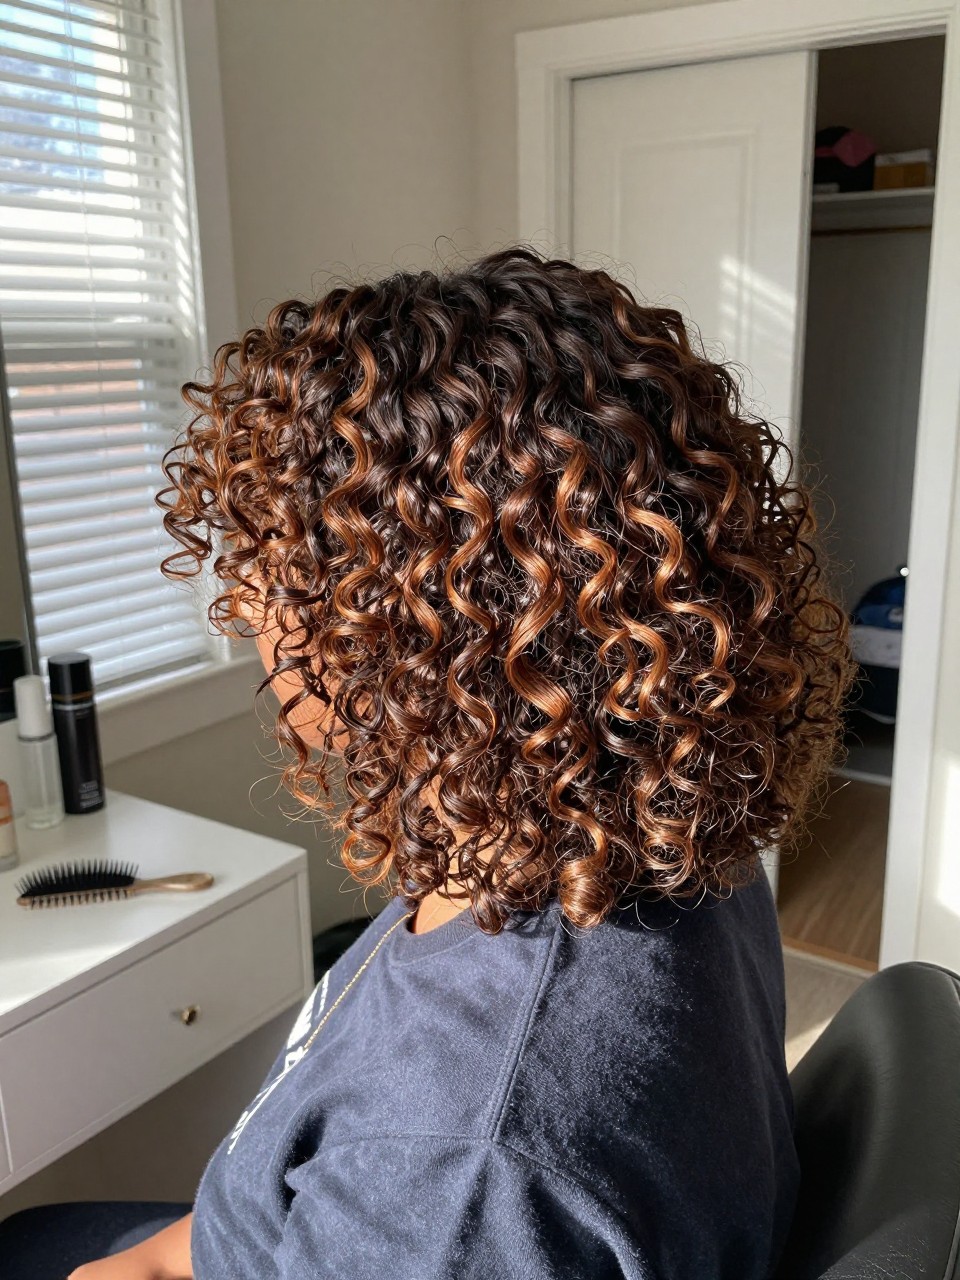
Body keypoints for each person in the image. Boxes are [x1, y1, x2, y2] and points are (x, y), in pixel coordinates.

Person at [0, 247, 855, 1279]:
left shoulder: (463, 1170)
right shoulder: (645, 824)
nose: (246, 613)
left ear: (420, 620)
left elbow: (439, 1180)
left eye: (276, 567)